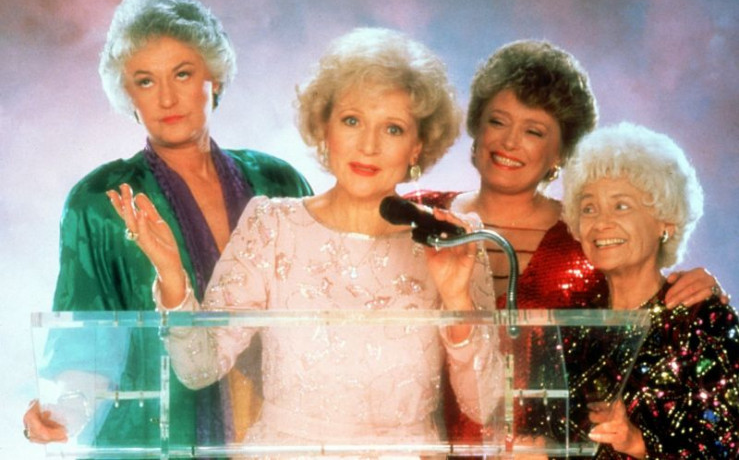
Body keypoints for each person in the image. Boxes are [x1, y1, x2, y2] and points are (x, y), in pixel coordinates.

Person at [109, 27, 503, 455]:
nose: (368, 145)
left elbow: (484, 407)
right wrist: (172, 274)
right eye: (351, 121)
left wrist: (457, 300)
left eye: (392, 129)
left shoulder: (452, 242)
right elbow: (198, 367)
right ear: (325, 129)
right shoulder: (272, 226)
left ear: (417, 147)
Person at [22, 0, 312, 451]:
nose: (167, 97)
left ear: (213, 78)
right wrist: (62, 411)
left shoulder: (277, 181)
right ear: (128, 94)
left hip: (276, 437)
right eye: (145, 81)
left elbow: (319, 315)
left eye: (182, 73)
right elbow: (87, 342)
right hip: (152, 441)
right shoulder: (100, 201)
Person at [408, 40, 727, 444]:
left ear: (560, 152)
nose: (509, 142)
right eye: (498, 122)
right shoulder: (419, 214)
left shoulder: (588, 238)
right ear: (477, 127)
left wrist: (701, 289)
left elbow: (647, 309)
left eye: (534, 131)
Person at [561, 122, 739, 459]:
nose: (601, 222)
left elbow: (727, 446)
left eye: (621, 206)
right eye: (588, 208)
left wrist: (637, 443)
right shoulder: (571, 324)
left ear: (665, 223)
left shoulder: (705, 320)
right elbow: (550, 433)